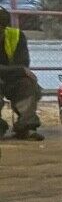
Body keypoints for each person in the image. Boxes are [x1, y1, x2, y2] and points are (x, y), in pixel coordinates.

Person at [0, 8, 43, 140]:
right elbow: (21, 69)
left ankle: (27, 126)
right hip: (10, 73)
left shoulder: (15, 36)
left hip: (10, 77)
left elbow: (23, 64)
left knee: (26, 84)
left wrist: (18, 71)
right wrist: (18, 70)